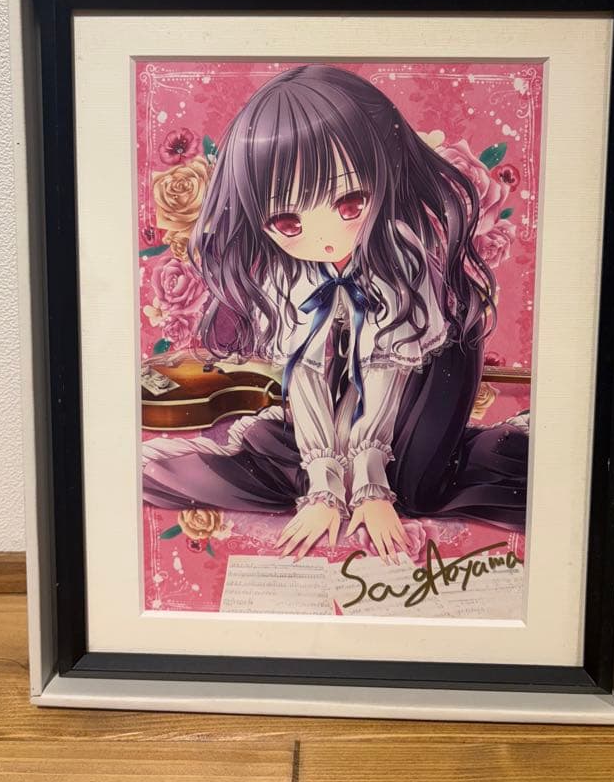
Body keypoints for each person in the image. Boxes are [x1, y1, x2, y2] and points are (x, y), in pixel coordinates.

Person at [142, 64, 528, 561]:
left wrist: (370, 488)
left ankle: (504, 447)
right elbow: (307, 378)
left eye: (349, 203)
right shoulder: (283, 277)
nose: (325, 238)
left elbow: (381, 374)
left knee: (415, 489)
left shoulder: (402, 260)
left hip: (435, 358)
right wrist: (324, 491)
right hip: (351, 361)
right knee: (297, 476)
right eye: (287, 221)